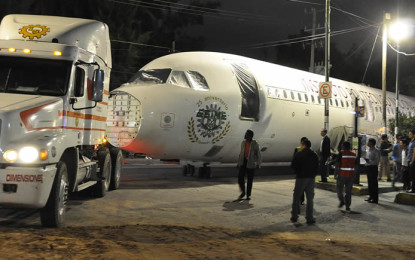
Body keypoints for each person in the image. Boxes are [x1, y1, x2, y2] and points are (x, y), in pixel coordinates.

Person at [290, 139, 319, 224]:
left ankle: (294, 216)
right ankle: (309, 218)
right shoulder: (314, 155)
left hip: (301, 178)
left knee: (296, 197)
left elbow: (293, 165)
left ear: (303, 145)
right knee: (310, 199)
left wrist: (298, 172)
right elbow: (317, 166)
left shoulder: (299, 154)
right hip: (311, 179)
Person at [237, 130, 261, 200]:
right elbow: (241, 153)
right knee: (240, 178)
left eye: (246, 134)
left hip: (251, 163)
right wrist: (239, 163)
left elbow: (258, 154)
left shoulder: (255, 143)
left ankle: (248, 195)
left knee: (250, 180)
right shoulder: (243, 142)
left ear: (250, 136)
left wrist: (257, 163)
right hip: (243, 162)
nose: (245, 135)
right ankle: (243, 192)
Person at [336, 141, 357, 211]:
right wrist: (355, 173)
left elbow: (337, 164)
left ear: (344, 147)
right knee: (348, 191)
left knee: (339, 188)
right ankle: (347, 206)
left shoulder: (341, 153)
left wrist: (336, 173)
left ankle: (342, 200)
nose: (342, 147)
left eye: (342, 146)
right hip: (351, 175)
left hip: (342, 174)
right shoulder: (354, 154)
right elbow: (356, 165)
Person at [292, 137, 308, 205]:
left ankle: (298, 199)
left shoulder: (297, 149)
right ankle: (302, 200)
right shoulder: (310, 150)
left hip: (299, 171)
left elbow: (294, 160)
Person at [364, 138, 380, 203]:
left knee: (374, 183)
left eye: (369, 142)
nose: (367, 143)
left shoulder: (376, 151)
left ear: (371, 143)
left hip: (373, 168)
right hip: (368, 167)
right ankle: (370, 196)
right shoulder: (368, 150)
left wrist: (368, 161)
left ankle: (375, 198)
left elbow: (376, 161)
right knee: (370, 183)